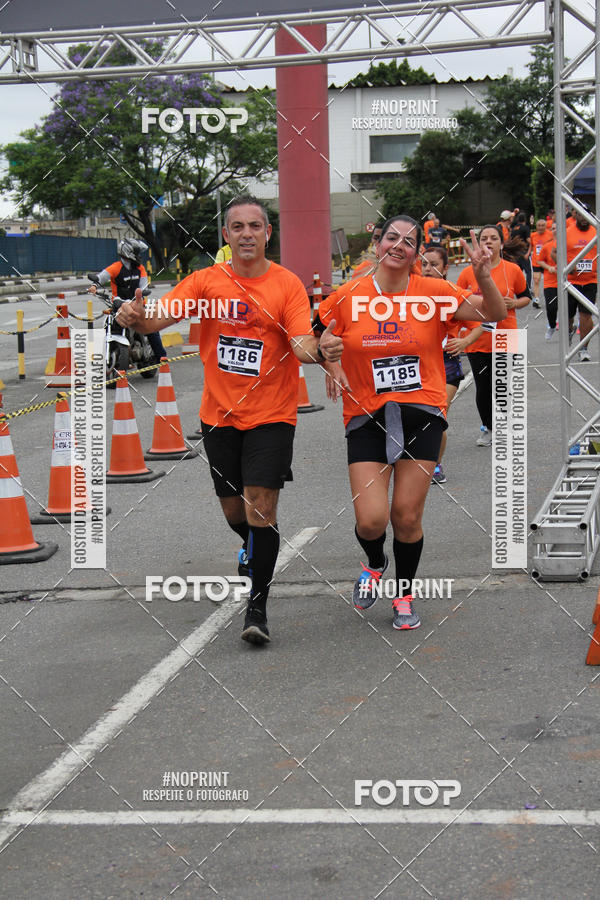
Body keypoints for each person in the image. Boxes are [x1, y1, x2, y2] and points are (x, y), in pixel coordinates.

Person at [116, 194, 343, 645]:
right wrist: (135, 316)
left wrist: (323, 351)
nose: (246, 234)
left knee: (262, 504)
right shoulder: (206, 282)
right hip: (219, 416)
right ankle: (253, 546)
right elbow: (154, 321)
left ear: (267, 233)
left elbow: (301, 344)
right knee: (234, 511)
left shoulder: (286, 285)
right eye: (237, 227)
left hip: (272, 415)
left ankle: (256, 606)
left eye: (254, 226)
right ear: (226, 235)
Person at [318, 216, 506, 631]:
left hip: (423, 413)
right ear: (377, 242)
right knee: (370, 520)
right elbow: (318, 337)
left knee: (405, 515)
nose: (399, 246)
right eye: (392, 237)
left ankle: (403, 594)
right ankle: (374, 562)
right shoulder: (349, 295)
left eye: (409, 241)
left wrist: (481, 275)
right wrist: (327, 355)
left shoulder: (434, 292)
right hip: (366, 415)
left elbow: (493, 311)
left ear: (417, 251)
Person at [450, 224, 530, 446]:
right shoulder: (467, 273)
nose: (488, 242)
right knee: (484, 386)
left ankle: (507, 426)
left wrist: (514, 302)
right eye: (484, 238)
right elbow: (458, 304)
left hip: (506, 334)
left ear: (501, 243)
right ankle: (489, 428)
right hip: (477, 337)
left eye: (493, 238)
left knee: (503, 384)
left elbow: (526, 297)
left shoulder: (512, 270)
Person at [420, 244, 464, 485]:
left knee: (436, 416)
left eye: (433, 264)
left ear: (446, 268)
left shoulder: (453, 293)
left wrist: (466, 339)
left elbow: (489, 318)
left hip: (447, 365)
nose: (427, 268)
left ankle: (435, 464)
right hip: (419, 363)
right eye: (424, 263)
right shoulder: (411, 294)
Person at [90, 238, 166, 365]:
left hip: (137, 305)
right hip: (119, 304)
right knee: (108, 324)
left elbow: (143, 285)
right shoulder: (116, 268)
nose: (139, 256)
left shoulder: (140, 268)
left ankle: (161, 356)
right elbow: (102, 276)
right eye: (137, 253)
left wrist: (143, 293)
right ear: (128, 252)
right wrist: (94, 286)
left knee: (152, 327)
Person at [566, 205, 597, 361]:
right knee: (568, 315)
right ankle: (570, 329)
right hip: (570, 282)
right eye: (580, 214)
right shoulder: (568, 232)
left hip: (590, 280)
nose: (584, 217)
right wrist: (567, 268)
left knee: (586, 315)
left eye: (587, 214)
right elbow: (554, 253)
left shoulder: (596, 231)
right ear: (575, 214)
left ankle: (583, 348)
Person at [538, 223, 558, 339]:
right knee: (551, 307)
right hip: (550, 282)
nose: (555, 230)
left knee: (569, 308)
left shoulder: (567, 245)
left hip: (567, 281)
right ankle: (551, 325)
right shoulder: (547, 246)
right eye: (553, 228)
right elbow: (540, 261)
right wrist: (549, 267)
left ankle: (569, 328)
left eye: (558, 228)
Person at [530, 219, 554, 308]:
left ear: (546, 226)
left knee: (550, 281)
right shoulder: (533, 235)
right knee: (536, 280)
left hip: (547, 261)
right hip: (536, 261)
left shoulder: (550, 234)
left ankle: (552, 297)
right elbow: (532, 246)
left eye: (542, 225)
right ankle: (536, 299)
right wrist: (527, 253)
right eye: (539, 225)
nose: (540, 227)